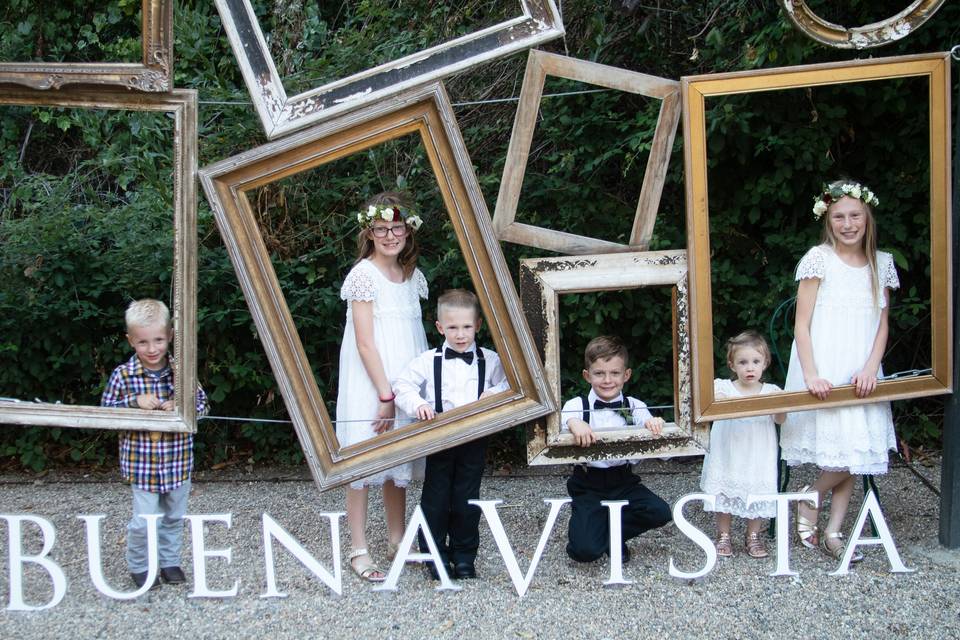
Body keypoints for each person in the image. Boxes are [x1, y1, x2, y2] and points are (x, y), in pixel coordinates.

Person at [780, 179, 899, 561]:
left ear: (867, 218)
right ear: (827, 221)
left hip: (861, 369)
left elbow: (881, 324)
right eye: (839, 217)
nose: (848, 224)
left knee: (855, 451)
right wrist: (812, 374)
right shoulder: (819, 258)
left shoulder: (882, 264)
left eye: (855, 216)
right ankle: (815, 506)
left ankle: (830, 527)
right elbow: (801, 324)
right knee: (844, 452)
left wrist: (871, 367)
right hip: (825, 367)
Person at [336, 191, 427, 582]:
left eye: (397, 228)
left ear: (408, 231)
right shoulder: (363, 275)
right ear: (369, 232)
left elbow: (415, 333)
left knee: (398, 463)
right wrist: (385, 395)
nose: (390, 235)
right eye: (381, 229)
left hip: (406, 377)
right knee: (365, 460)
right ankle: (358, 548)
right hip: (372, 380)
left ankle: (396, 539)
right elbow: (364, 341)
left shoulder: (410, 276)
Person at [393, 289, 509, 580]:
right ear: (440, 327)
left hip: (474, 439)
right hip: (440, 439)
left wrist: (492, 394)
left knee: (467, 498)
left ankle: (465, 556)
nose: (460, 334)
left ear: (479, 325)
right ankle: (435, 557)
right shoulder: (427, 360)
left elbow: (511, 383)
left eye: (467, 327)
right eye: (453, 327)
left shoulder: (490, 360)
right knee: (435, 499)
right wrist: (419, 404)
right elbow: (402, 386)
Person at [101, 299, 209, 590]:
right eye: (143, 342)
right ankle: (140, 565)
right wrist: (134, 403)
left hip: (177, 463)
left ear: (170, 336)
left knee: (174, 516)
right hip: (142, 465)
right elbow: (106, 412)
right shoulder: (123, 376)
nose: (152, 349)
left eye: (159, 340)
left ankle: (169, 562)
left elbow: (202, 405)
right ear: (130, 340)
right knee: (144, 520)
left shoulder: (181, 373)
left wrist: (181, 405)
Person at [560, 335, 672, 563]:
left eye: (615, 373)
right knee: (584, 552)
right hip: (588, 484)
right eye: (599, 373)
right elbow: (566, 420)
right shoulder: (576, 406)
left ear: (626, 375)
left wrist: (655, 425)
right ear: (587, 375)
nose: (607, 380)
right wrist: (575, 423)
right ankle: (592, 531)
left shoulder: (635, 406)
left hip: (624, 482)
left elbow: (656, 437)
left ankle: (611, 535)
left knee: (659, 511)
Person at [699, 331, 785, 559]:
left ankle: (753, 535)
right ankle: (724, 534)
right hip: (728, 449)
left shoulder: (771, 392)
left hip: (758, 451)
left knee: (757, 488)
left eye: (756, 362)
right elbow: (711, 408)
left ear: (765, 363)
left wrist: (779, 407)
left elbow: (780, 420)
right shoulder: (723, 388)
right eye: (743, 362)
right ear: (732, 364)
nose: (750, 368)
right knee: (725, 490)